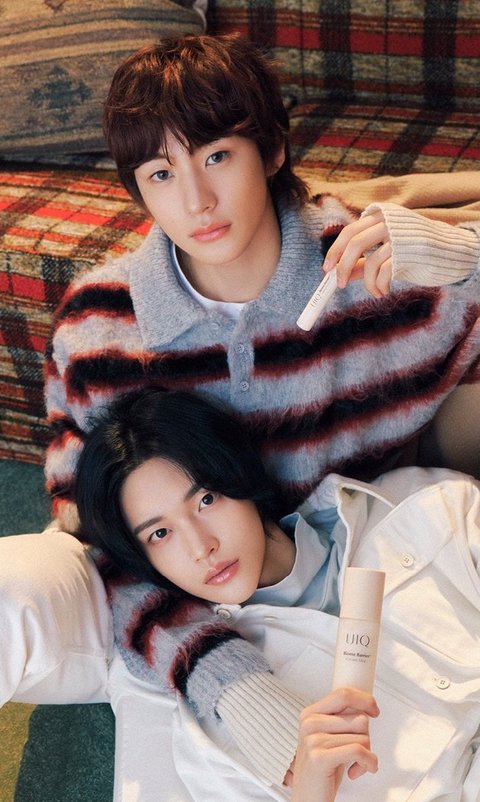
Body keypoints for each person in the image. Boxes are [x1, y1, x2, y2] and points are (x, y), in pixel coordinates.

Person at [0, 31, 479, 797]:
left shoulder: (364, 270)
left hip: (327, 571)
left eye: (217, 156)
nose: (195, 202)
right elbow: (105, 544)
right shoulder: (99, 327)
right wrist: (235, 688)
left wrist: (460, 255)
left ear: (272, 150)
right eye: (161, 174)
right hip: (164, 603)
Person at [74, 385, 480, 802]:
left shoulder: (422, 509)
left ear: (239, 473)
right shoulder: (222, 722)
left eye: (207, 499)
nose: (201, 547)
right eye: (160, 534)